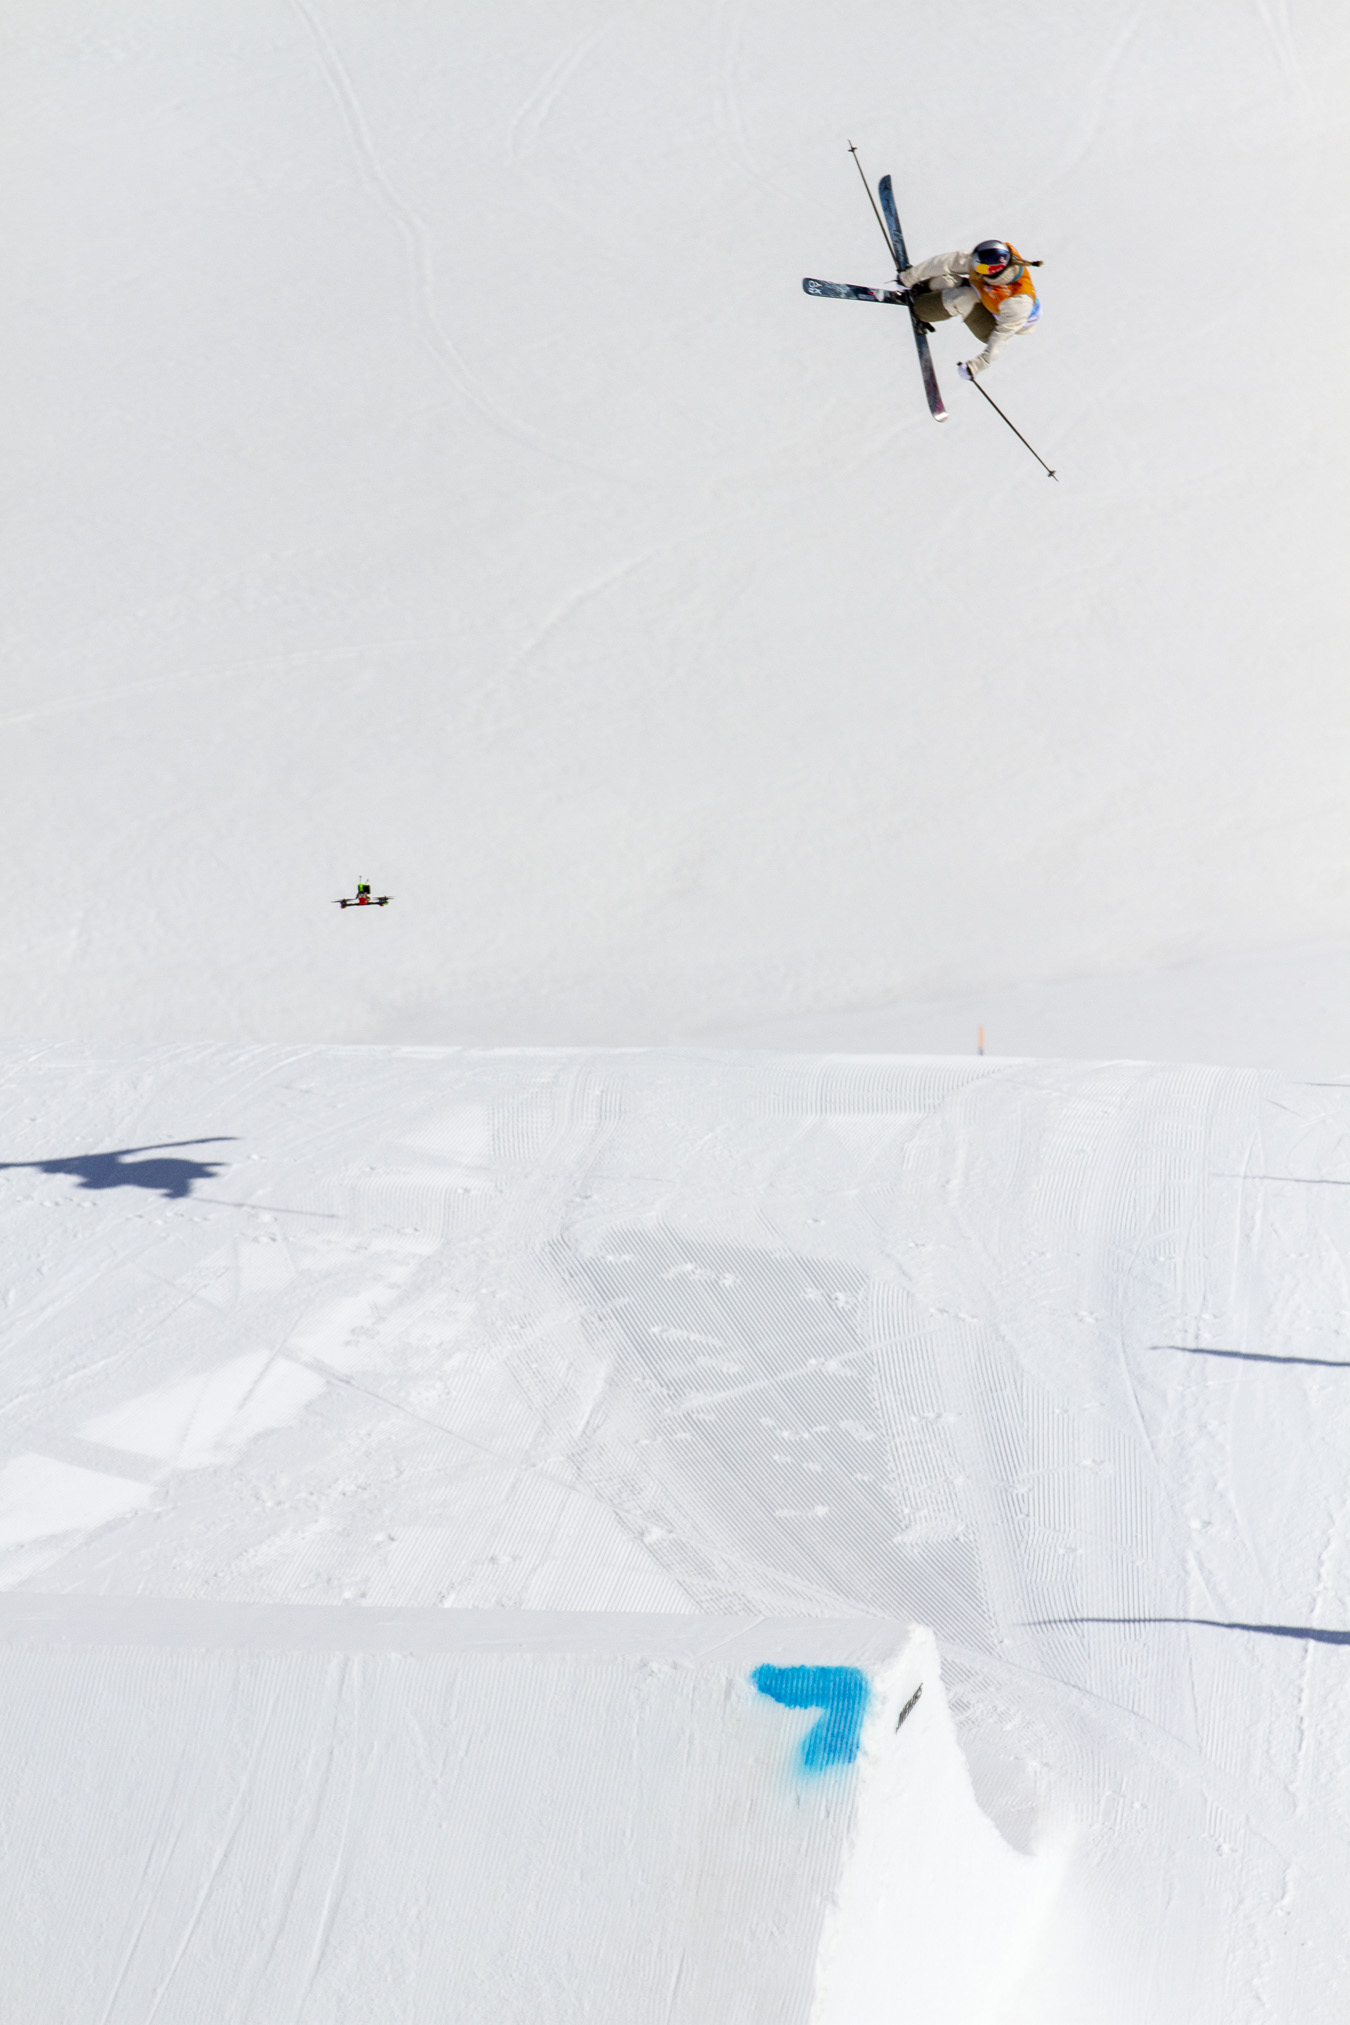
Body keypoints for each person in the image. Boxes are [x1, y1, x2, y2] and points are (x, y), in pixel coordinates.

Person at [898, 240, 1040, 377]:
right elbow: (950, 261)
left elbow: (1001, 337)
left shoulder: (1017, 302)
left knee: (964, 298)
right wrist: (910, 277)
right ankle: (921, 290)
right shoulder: (987, 264)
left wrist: (976, 366)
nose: (974, 266)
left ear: (993, 271)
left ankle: (920, 310)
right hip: (988, 298)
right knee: (949, 281)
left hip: (994, 327)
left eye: (981, 267)